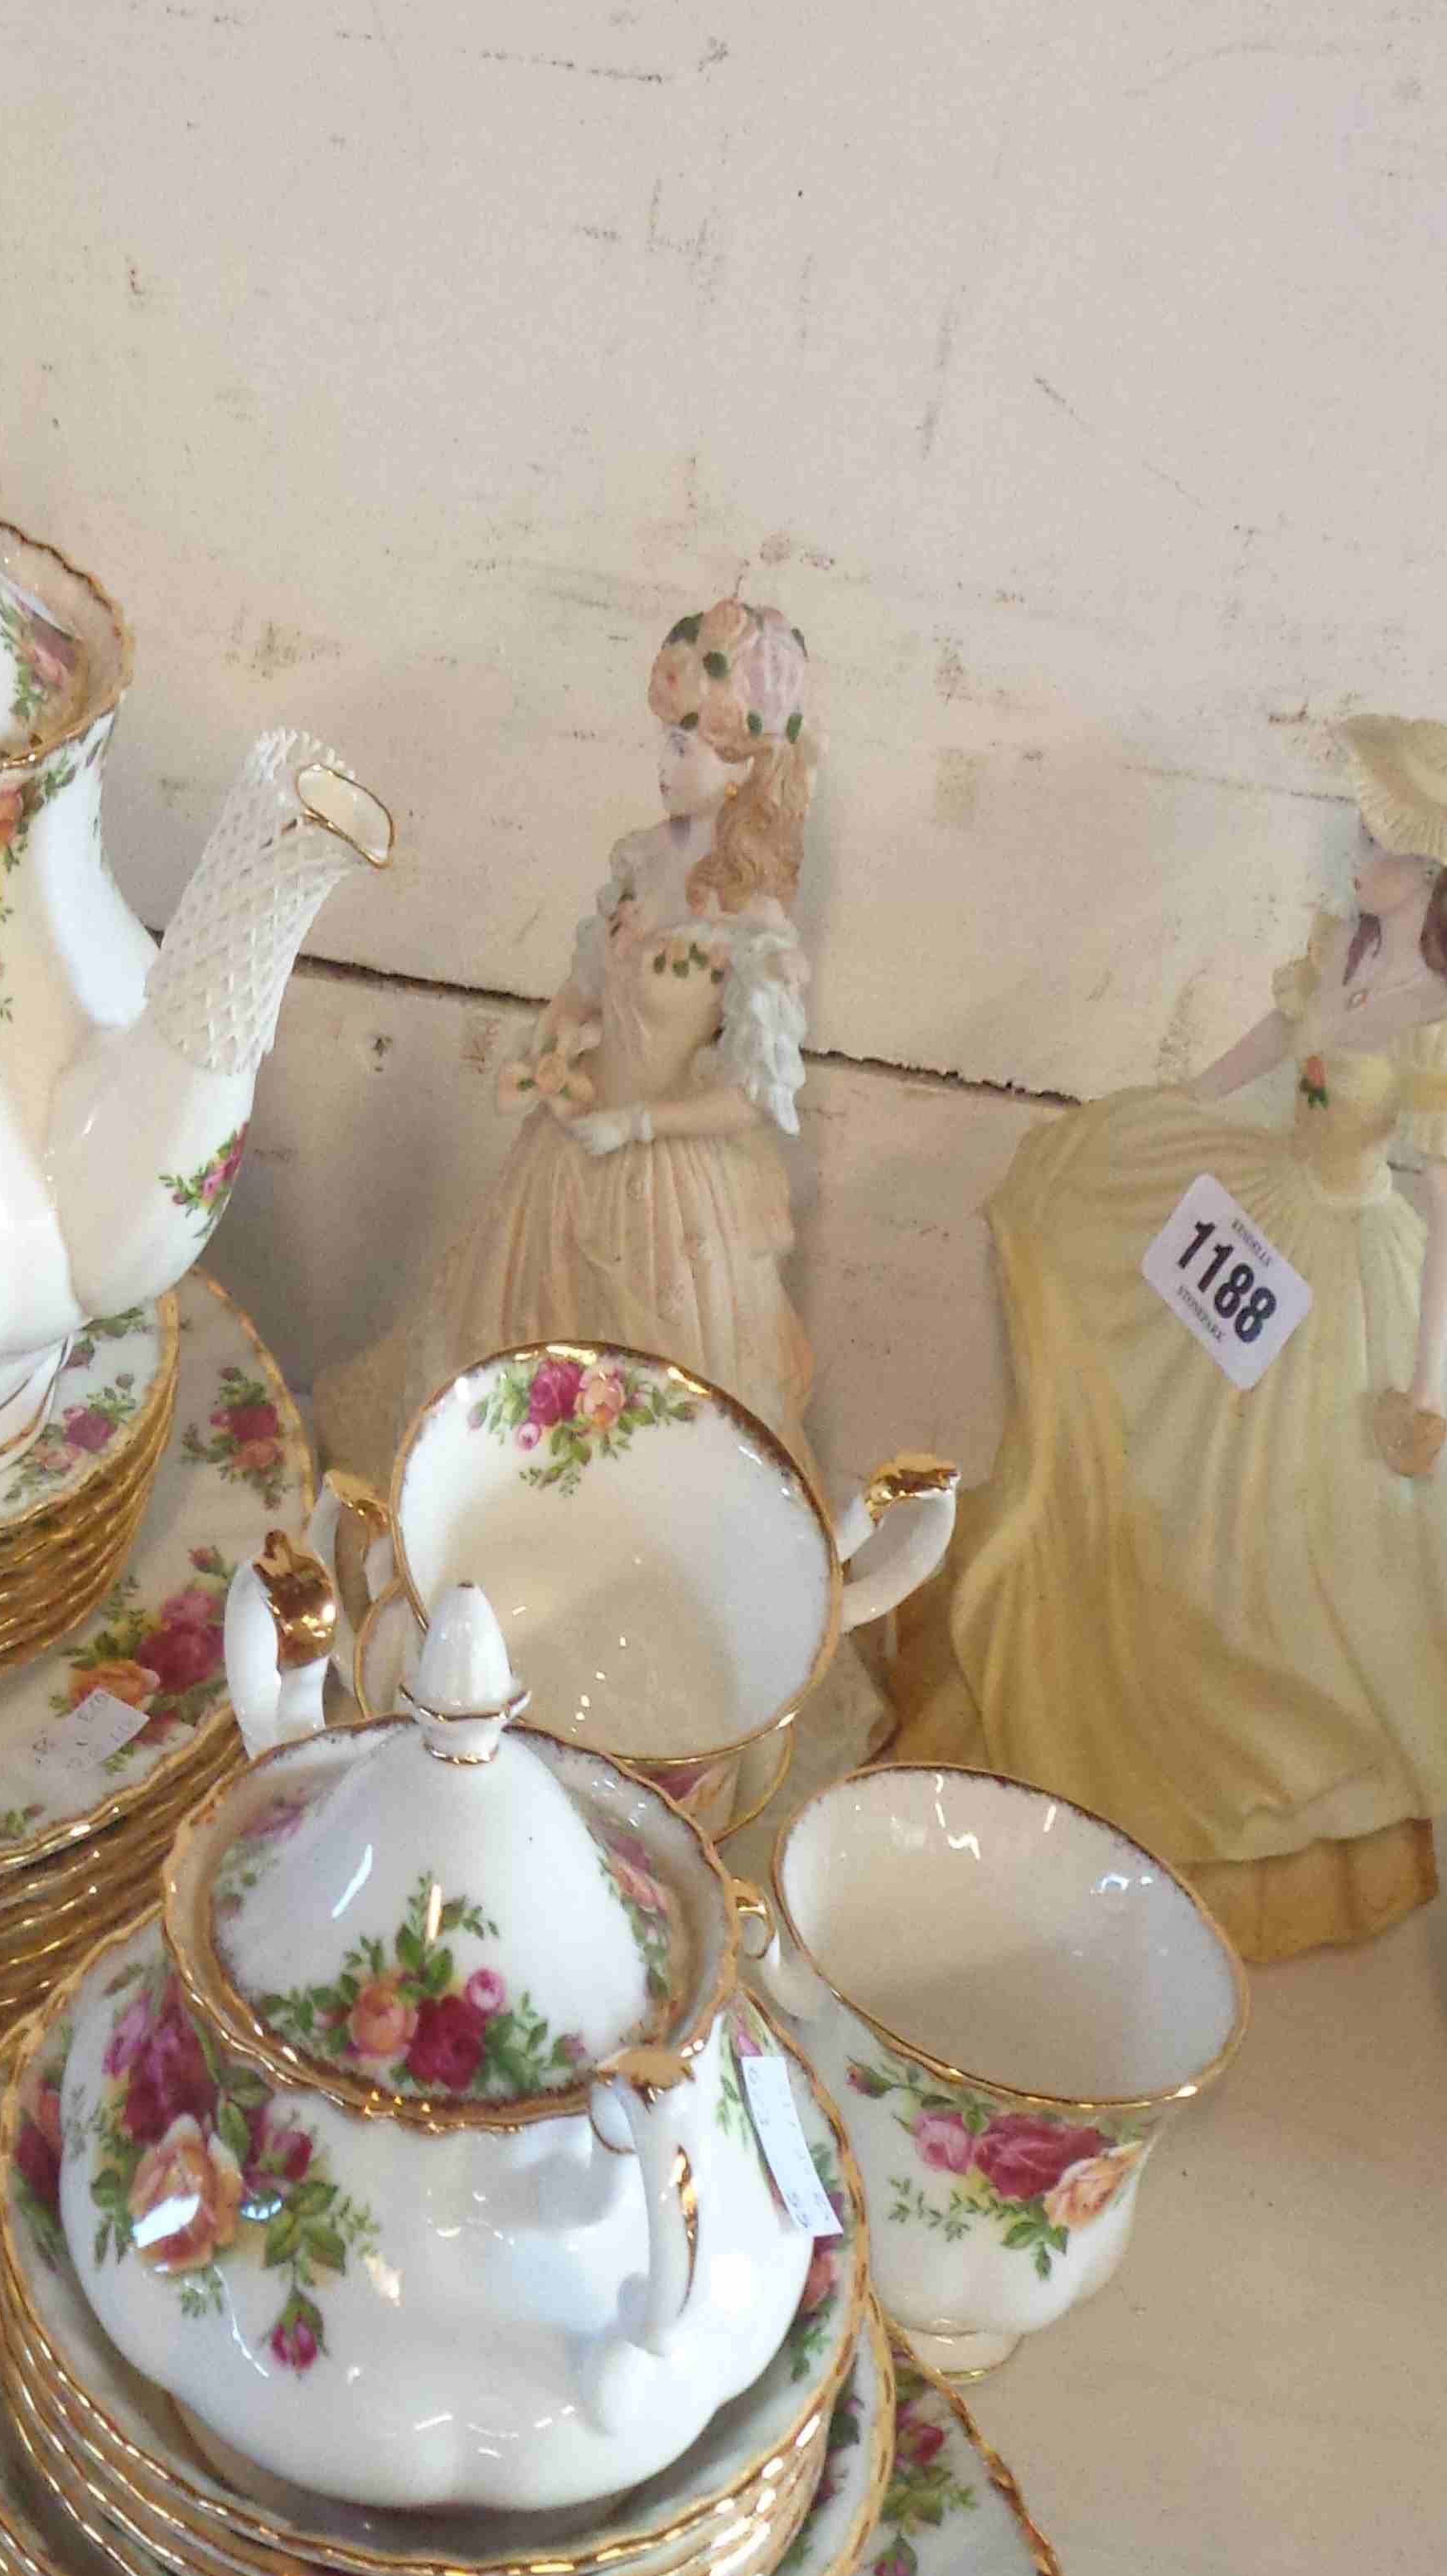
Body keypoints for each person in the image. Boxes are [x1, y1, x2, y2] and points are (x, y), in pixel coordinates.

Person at [886, 719, 1447, 1959]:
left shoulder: (1432, 1023)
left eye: (1384, 849)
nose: (1360, 860)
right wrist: (1164, 1118)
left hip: (1343, 1273)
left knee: (1281, 1532)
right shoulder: (1339, 953)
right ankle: (1110, 1677)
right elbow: (1262, 1053)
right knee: (1157, 1450)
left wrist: (1427, 1388)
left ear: (1434, 867)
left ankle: (1245, 1769)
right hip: (1253, 1221)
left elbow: (1442, 1211)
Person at [322, 589, 821, 1479]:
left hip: (664, 1191)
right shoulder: (642, 857)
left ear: (741, 766)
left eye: (685, 745)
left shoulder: (753, 919)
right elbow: (588, 986)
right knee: (507, 1343)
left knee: (656, 1408)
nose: (664, 763)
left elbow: (749, 1096)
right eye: (663, 739)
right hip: (565, 1147)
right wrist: (550, 1041)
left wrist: (635, 1126)